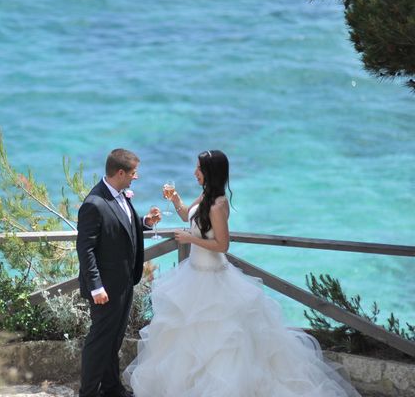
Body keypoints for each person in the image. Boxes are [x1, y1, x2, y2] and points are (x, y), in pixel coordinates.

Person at [124, 150, 361, 397]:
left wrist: (189, 238)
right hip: (193, 275)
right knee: (188, 339)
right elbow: (188, 215)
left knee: (221, 342)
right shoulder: (205, 195)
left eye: (199, 169)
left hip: (213, 278)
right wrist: (175, 200)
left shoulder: (218, 204)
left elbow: (222, 245)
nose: (195, 173)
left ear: (210, 173)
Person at [76, 148, 160, 397]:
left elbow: (122, 227)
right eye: (134, 173)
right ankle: (88, 392)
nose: (137, 177)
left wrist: (145, 223)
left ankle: (112, 389)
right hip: (105, 288)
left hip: (124, 282)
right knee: (99, 341)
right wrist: (96, 286)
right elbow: (85, 249)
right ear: (120, 172)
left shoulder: (121, 195)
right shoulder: (94, 204)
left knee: (113, 339)